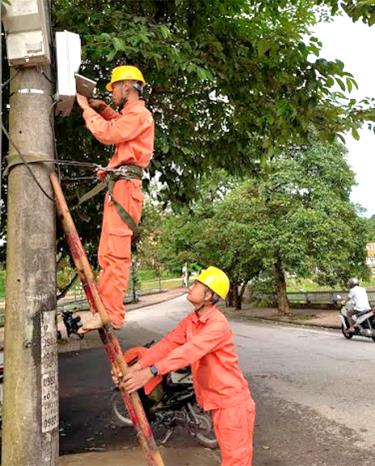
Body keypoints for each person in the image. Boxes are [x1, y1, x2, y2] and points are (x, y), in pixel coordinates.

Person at [113, 266, 256, 466]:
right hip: (217, 403)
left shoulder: (217, 325)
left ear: (209, 295)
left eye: (198, 284)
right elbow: (168, 344)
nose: (191, 286)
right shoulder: (192, 320)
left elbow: (188, 352)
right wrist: (135, 368)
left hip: (232, 403)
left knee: (236, 462)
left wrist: (151, 372)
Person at [76, 65, 154, 333]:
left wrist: (86, 108)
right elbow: (119, 127)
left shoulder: (141, 114)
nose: (113, 94)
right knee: (107, 252)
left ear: (127, 86)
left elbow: (109, 133)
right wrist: (102, 109)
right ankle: (106, 310)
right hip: (120, 187)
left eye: (114, 88)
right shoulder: (133, 116)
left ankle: (112, 314)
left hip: (125, 189)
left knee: (116, 253)